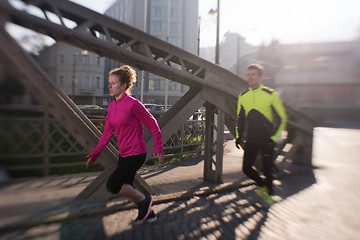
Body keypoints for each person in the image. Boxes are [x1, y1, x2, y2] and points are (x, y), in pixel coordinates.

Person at [86, 65, 164, 223]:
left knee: (113, 185)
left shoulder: (133, 104)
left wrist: (158, 146)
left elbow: (152, 123)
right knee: (126, 187)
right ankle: (148, 214)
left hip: (136, 153)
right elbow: (106, 134)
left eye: (114, 83)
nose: (109, 86)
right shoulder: (111, 107)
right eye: (109, 83)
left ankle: (145, 200)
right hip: (124, 153)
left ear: (123, 86)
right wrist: (95, 154)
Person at [235, 63, 286, 205]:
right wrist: (239, 136)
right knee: (246, 168)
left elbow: (282, 118)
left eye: (253, 75)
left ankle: (268, 197)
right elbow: (241, 119)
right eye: (248, 75)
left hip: (267, 140)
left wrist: (274, 138)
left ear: (261, 77)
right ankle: (263, 185)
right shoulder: (243, 96)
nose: (250, 77)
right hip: (251, 139)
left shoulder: (271, 94)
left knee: (267, 170)